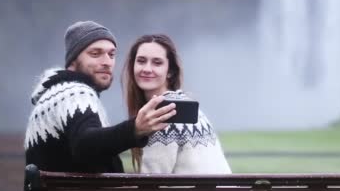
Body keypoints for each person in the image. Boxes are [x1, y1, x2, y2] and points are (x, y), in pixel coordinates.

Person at [24, 21, 176, 173]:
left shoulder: (56, 95)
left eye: (111, 54)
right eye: (95, 54)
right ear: (72, 61)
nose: (107, 62)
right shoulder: (74, 93)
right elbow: (84, 144)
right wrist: (134, 128)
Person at [122, 34, 231, 174]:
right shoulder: (185, 107)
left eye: (157, 62)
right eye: (141, 61)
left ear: (170, 72)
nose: (147, 69)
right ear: (133, 66)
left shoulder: (164, 114)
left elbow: (150, 187)